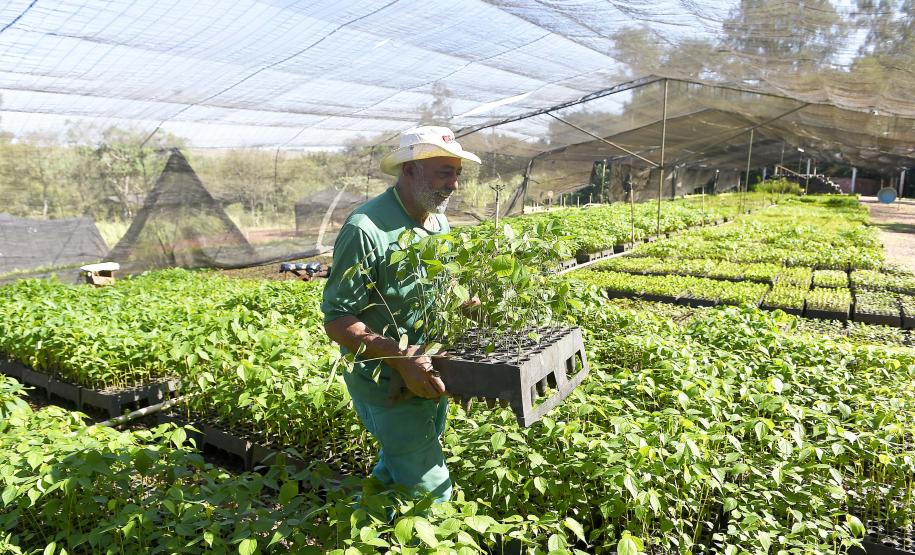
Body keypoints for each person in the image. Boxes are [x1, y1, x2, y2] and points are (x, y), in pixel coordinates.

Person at [321, 126, 481, 503]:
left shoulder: (437, 222)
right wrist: (400, 358)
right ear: (410, 170)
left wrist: (464, 299)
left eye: (457, 173)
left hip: (429, 372)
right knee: (431, 491)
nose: (454, 184)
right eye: (445, 172)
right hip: (386, 384)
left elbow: (440, 282)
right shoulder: (366, 229)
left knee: (396, 470)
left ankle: (364, 527)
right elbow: (338, 319)